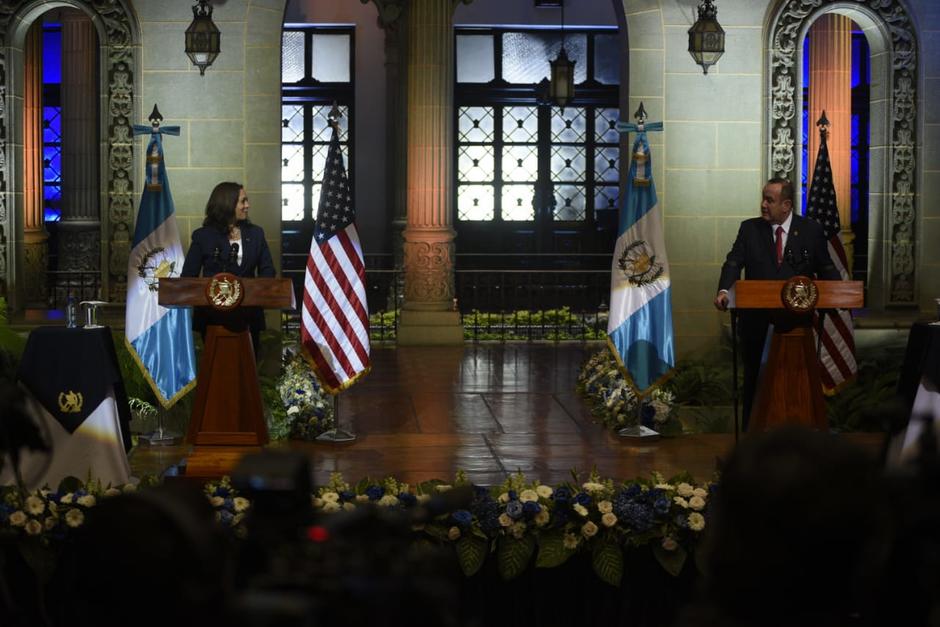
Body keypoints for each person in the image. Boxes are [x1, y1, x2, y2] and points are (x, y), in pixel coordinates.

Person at [713, 178, 839, 429]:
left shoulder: (811, 230)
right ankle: (751, 440)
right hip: (756, 323)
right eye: (763, 198)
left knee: (797, 383)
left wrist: (837, 293)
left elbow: (826, 268)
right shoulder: (749, 229)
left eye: (769, 200)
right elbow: (733, 263)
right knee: (754, 382)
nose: (763, 205)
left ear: (787, 205)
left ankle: (798, 439)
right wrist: (724, 289)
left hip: (796, 325)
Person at [182, 182, 276, 356]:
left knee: (246, 373)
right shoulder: (203, 236)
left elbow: (268, 271)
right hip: (213, 318)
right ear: (227, 203)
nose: (247, 206)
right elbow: (188, 277)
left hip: (249, 318)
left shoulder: (256, 234)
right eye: (243, 201)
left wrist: (260, 291)